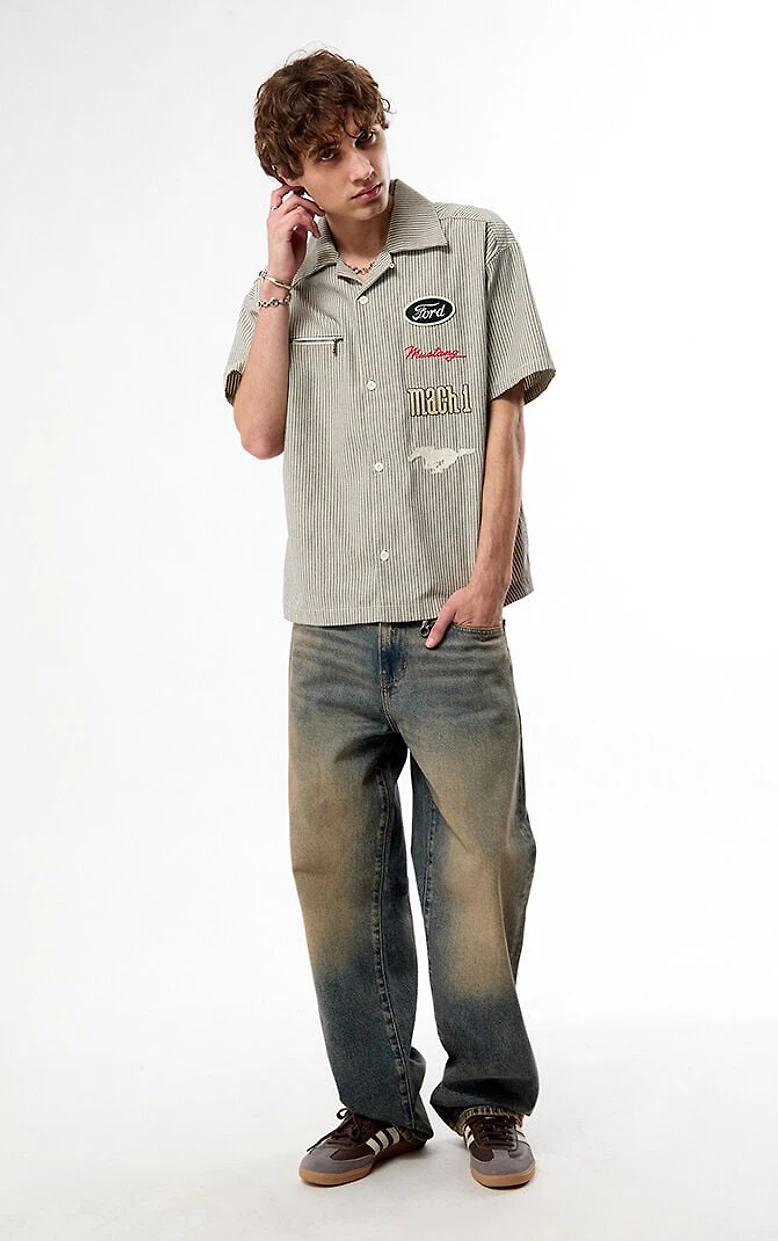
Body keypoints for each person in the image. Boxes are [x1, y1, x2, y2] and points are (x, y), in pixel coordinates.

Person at [222, 48, 556, 1190]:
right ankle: (376, 1107)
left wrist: (487, 575)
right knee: (338, 875)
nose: (361, 164)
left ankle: (488, 1100)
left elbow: (506, 418)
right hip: (326, 635)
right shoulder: (283, 289)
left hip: (448, 624)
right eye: (328, 154)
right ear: (291, 177)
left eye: (366, 135)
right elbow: (259, 432)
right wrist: (279, 278)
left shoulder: (474, 244)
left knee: (477, 867)